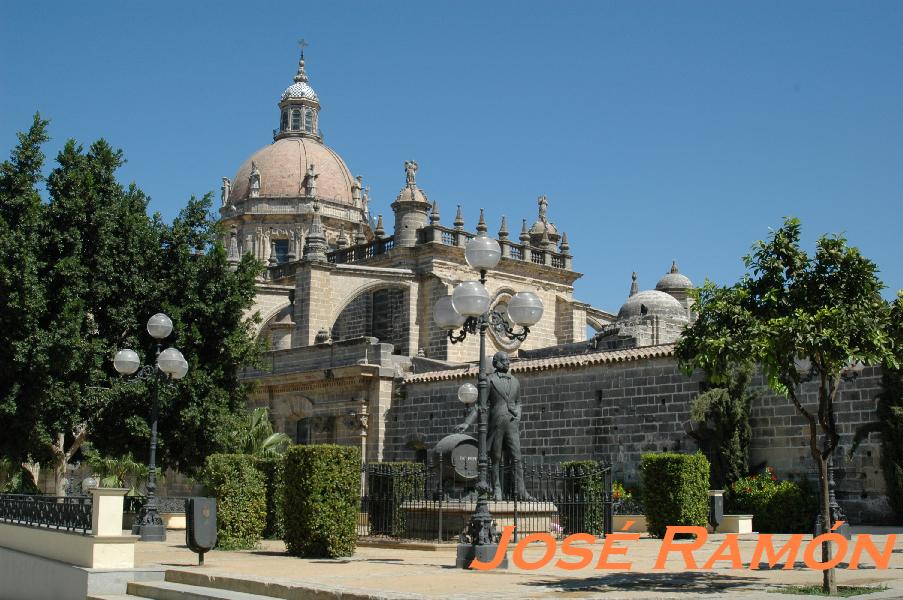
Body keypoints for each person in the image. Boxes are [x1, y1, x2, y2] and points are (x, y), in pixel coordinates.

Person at [456, 352, 533, 500]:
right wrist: (467, 422)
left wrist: (518, 416)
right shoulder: (489, 380)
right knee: (496, 458)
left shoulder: (515, 381)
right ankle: (497, 490)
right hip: (496, 424)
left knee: (517, 457)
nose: (507, 362)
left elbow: (519, 403)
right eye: (504, 360)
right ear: (496, 363)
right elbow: (480, 405)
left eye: (508, 360)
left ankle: (522, 491)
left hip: (512, 424)